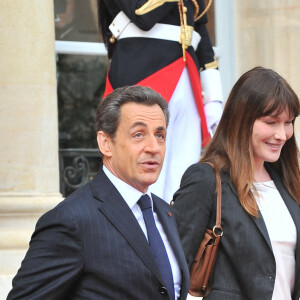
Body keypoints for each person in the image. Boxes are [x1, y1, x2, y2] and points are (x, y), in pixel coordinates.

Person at [7, 86, 190, 300]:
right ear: (105, 143)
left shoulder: (166, 213)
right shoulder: (71, 220)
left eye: (160, 135)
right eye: (138, 134)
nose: (154, 147)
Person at [173, 67, 300, 299]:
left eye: (288, 122)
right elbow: (173, 271)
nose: (282, 134)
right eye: (271, 122)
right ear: (242, 120)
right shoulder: (206, 179)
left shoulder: (288, 183)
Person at [97, 0, 223, 203]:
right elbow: (142, 15)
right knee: (143, 171)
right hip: (143, 77)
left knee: (183, 173)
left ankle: (175, 231)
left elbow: (201, 39)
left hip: (187, 79)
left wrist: (214, 100)